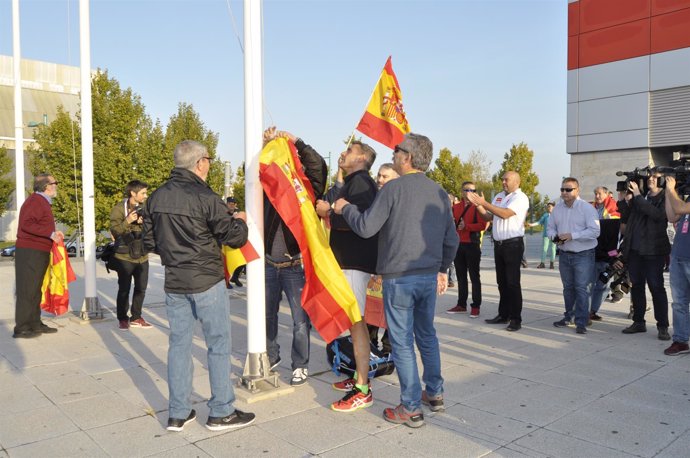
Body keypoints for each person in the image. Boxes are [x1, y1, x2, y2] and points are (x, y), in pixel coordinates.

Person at [334, 132, 458, 428]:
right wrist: (442, 268)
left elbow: (366, 227)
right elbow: (451, 240)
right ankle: (435, 393)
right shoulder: (439, 192)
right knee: (426, 335)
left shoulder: (393, 189)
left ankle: (411, 407)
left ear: (408, 158)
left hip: (399, 278)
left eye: (397, 150)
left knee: (402, 341)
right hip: (427, 276)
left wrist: (344, 208)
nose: (393, 153)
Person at [142, 140, 255, 432]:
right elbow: (234, 238)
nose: (209, 165)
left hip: (175, 281)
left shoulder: (155, 197)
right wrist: (240, 221)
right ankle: (221, 411)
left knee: (178, 344)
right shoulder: (206, 196)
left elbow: (149, 242)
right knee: (218, 344)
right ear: (200, 163)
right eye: (209, 160)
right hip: (206, 279)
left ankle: (178, 413)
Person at [315, 140, 378, 412]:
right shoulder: (354, 182)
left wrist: (328, 212)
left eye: (350, 150)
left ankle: (363, 388)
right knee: (353, 323)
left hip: (355, 263)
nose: (343, 152)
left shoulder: (362, 183)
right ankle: (357, 376)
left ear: (362, 157)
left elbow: (361, 222)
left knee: (356, 323)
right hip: (348, 262)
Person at [262, 127, 327, 386]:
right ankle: (271, 354)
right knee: (266, 315)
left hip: (294, 266)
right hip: (268, 265)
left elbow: (318, 167)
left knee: (301, 321)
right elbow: (256, 170)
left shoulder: (307, 194)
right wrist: (264, 144)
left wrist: (296, 141)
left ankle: (300, 364)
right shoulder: (268, 191)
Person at [467, 171, 529, 331]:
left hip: (513, 244)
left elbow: (505, 214)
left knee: (512, 283)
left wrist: (485, 202)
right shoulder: (500, 196)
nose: (503, 182)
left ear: (516, 181)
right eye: (502, 179)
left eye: (506, 180)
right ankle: (503, 314)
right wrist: (479, 206)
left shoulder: (520, 198)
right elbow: (489, 217)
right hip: (499, 244)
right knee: (502, 282)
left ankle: (516, 318)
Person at [620, 173, 671, 340]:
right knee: (637, 286)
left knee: (656, 288)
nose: (651, 179)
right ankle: (638, 322)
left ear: (662, 180)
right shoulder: (640, 196)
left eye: (655, 177)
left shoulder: (666, 197)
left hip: (653, 251)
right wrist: (627, 199)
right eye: (649, 176)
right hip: (635, 250)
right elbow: (628, 218)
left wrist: (637, 196)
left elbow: (657, 215)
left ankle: (662, 326)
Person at [13, 174, 63, 338]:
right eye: (55, 183)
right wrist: (49, 233)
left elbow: (37, 224)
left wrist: (53, 234)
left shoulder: (42, 202)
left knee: (35, 289)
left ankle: (34, 323)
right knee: (27, 289)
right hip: (30, 252)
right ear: (46, 186)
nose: (56, 186)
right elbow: (26, 224)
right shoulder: (35, 201)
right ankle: (22, 327)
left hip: (37, 250)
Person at [548, 178, 600, 334]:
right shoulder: (557, 208)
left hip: (583, 255)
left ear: (577, 190)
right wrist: (555, 238)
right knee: (568, 288)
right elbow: (550, 229)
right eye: (562, 189)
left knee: (581, 288)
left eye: (568, 189)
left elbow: (595, 231)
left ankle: (582, 321)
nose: (564, 192)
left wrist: (572, 235)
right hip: (564, 254)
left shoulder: (587, 209)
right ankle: (568, 316)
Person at [109, 180, 151, 331]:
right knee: (124, 289)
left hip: (142, 255)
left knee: (141, 288)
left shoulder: (145, 208)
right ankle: (122, 318)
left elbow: (153, 227)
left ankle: (136, 317)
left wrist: (144, 222)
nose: (146, 196)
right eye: (143, 193)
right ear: (133, 193)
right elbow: (114, 230)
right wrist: (128, 221)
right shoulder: (119, 208)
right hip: (125, 256)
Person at [367, 163, 399, 353]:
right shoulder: (373, 199)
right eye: (379, 175)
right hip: (373, 266)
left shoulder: (400, 201)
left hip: (393, 267)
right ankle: (371, 350)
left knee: (391, 314)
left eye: (385, 176)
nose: (380, 180)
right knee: (371, 312)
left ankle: (388, 352)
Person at [446, 181, 487, 317]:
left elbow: (483, 225)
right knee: (461, 276)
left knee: (474, 277)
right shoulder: (456, 207)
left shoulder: (478, 207)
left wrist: (467, 226)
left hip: (472, 245)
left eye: (473, 190)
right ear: (462, 192)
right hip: (459, 245)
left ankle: (476, 306)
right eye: (467, 190)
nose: (471, 193)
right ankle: (461, 304)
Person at [663, 175, 690, 355]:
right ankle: (680, 341)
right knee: (679, 303)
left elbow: (679, 207)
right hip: (679, 256)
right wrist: (667, 191)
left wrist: (672, 189)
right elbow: (672, 214)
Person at [225, 197, 245, 288]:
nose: (232, 206)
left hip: (235, 241)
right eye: (230, 204)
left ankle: (235, 277)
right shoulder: (223, 213)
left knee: (242, 260)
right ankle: (226, 281)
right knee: (225, 263)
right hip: (225, 242)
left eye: (233, 204)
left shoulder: (238, 213)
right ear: (227, 204)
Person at [529, 202, 556, 269]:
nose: (548, 207)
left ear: (553, 207)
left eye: (549, 206)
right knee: (544, 249)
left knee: (553, 249)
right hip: (546, 235)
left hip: (554, 235)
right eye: (547, 206)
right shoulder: (545, 215)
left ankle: (552, 264)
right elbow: (539, 222)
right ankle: (542, 263)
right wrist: (531, 225)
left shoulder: (557, 215)